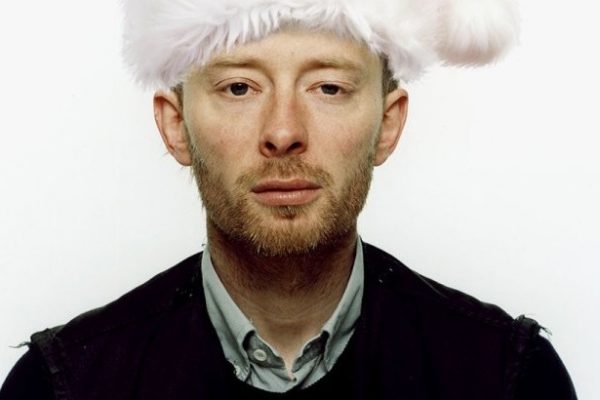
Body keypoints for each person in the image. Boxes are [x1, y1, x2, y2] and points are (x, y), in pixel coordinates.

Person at [0, 0, 577, 399]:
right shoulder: (61, 387)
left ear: (388, 124)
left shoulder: (507, 378)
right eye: (239, 87)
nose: (283, 131)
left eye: (328, 87)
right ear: (176, 126)